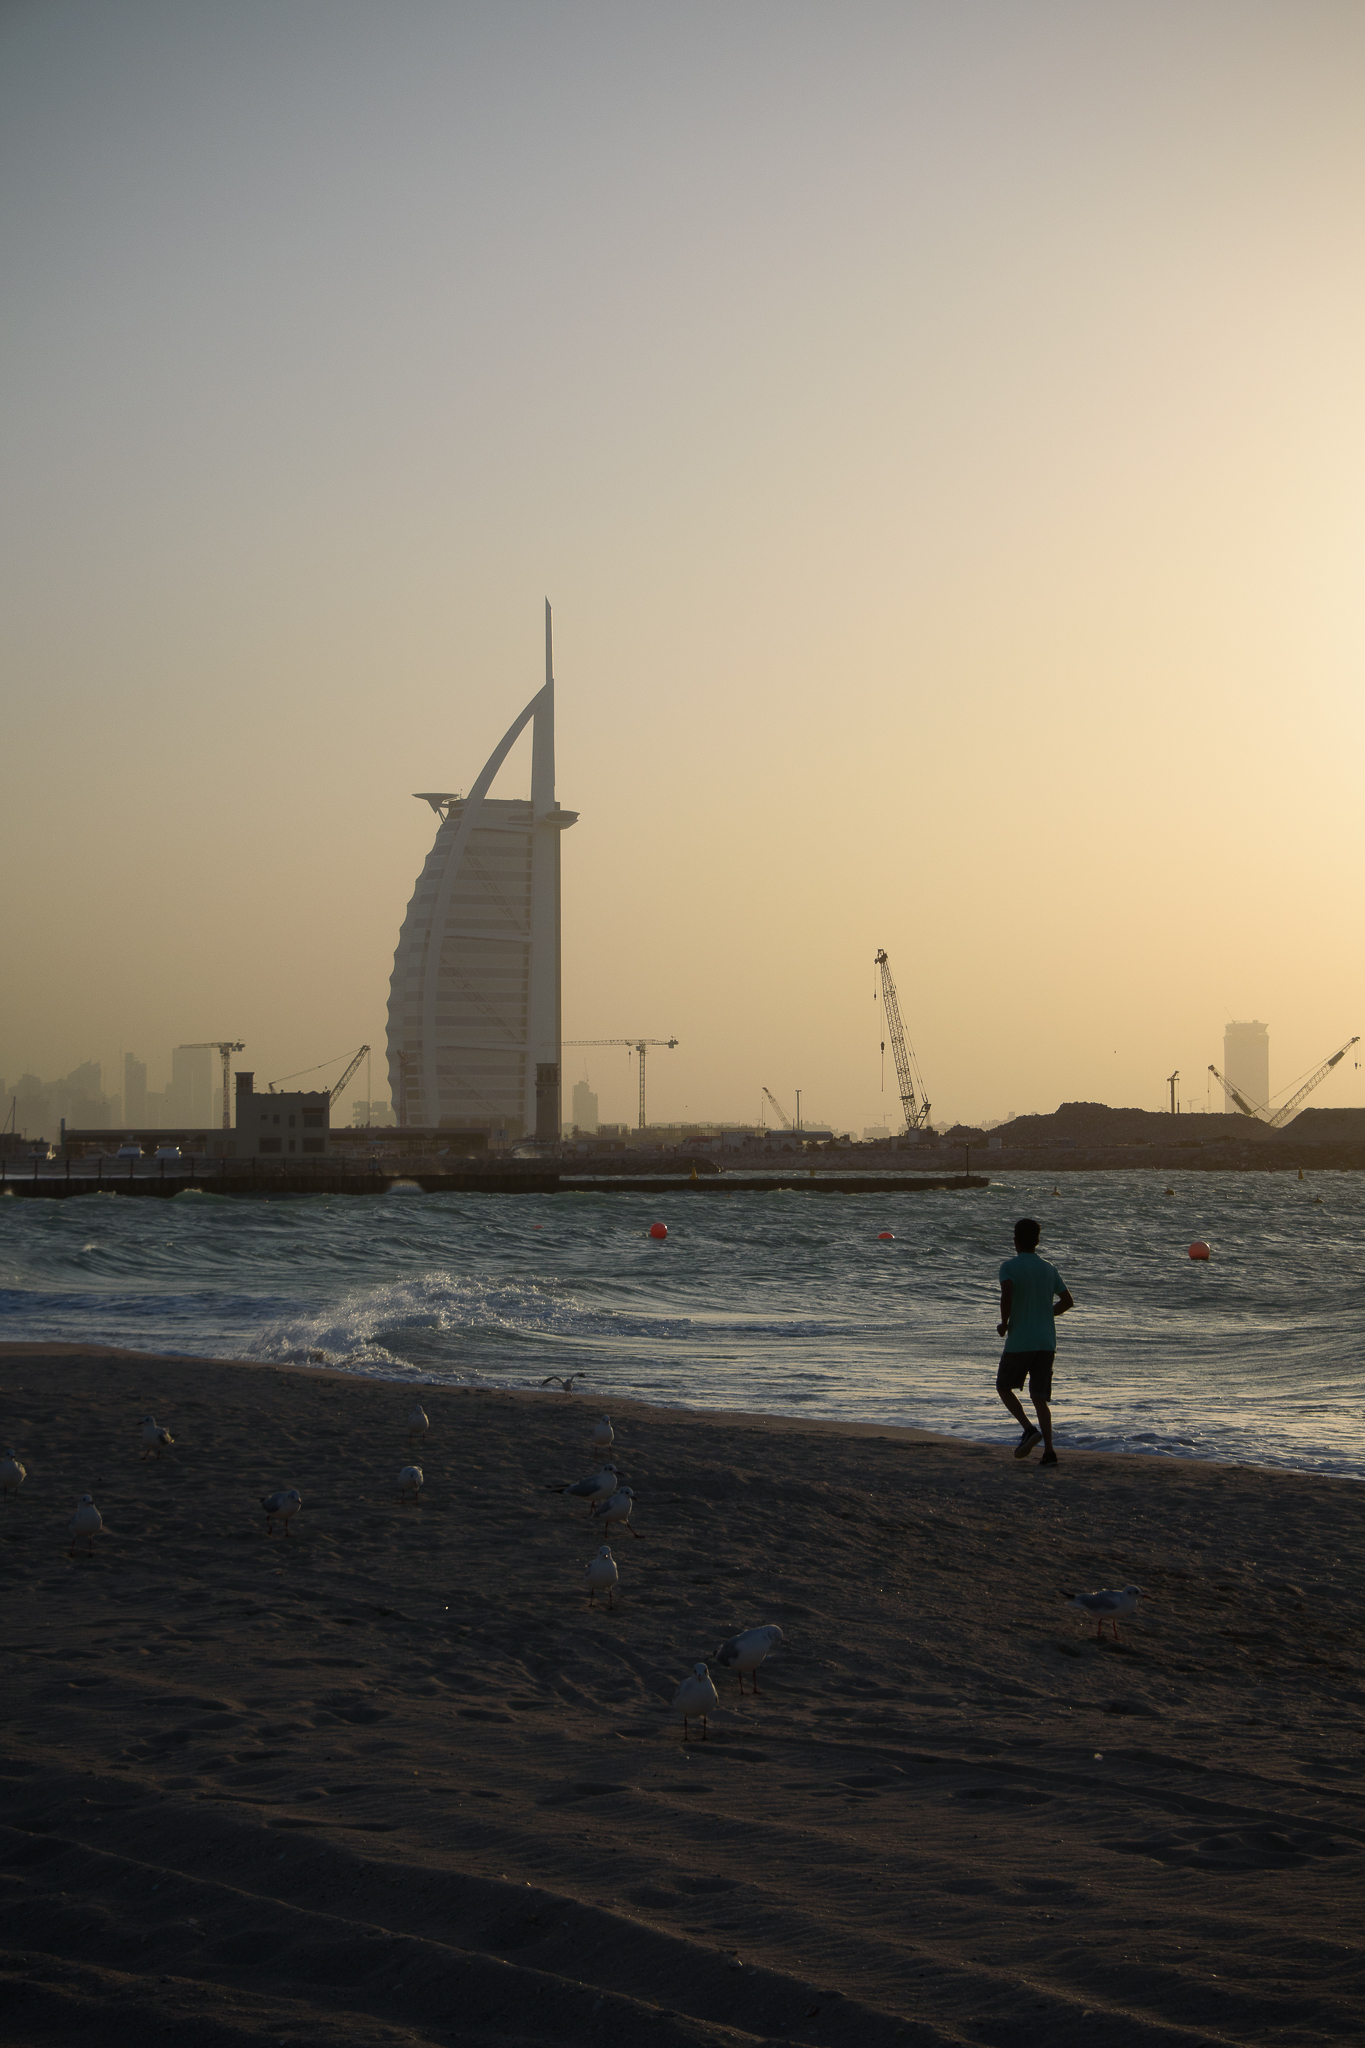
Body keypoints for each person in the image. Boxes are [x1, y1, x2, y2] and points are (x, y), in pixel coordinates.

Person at [996, 1217, 1073, 1466]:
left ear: (1015, 1241)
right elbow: (1067, 1301)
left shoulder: (1009, 1266)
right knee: (1039, 1397)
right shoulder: (1049, 1268)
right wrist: (1043, 1312)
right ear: (1038, 1241)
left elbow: (1007, 1294)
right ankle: (1049, 1452)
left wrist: (1005, 1322)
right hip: (1046, 1342)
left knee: (1003, 1387)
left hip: (1021, 1340)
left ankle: (1029, 1429)